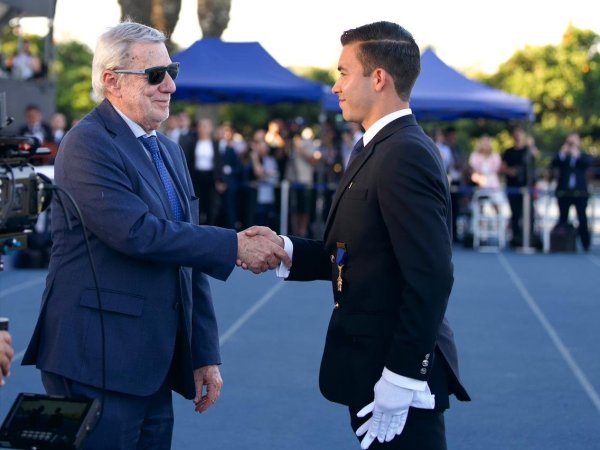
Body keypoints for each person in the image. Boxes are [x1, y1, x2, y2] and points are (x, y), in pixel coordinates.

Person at [21, 21, 289, 450]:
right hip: (96, 357)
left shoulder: (167, 149)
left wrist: (203, 353)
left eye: (172, 72)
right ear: (112, 81)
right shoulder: (87, 143)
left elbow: (187, 248)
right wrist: (235, 244)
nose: (170, 86)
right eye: (155, 74)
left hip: (152, 361)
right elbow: (137, 233)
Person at [245, 21, 470, 449]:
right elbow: (358, 253)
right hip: (370, 365)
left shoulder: (404, 152)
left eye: (344, 72)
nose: (336, 86)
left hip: (395, 375)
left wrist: (402, 376)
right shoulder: (376, 146)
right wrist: (286, 249)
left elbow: (431, 276)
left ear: (379, 78)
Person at [550, 132, 592, 251]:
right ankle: (563, 244)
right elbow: (554, 163)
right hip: (564, 192)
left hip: (580, 193)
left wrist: (576, 154)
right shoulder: (563, 156)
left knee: (582, 218)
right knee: (563, 217)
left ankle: (585, 243)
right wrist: (563, 153)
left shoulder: (582, 155)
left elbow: (587, 163)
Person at [500, 125, 539, 248]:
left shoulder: (528, 151)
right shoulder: (508, 152)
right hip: (513, 187)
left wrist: (531, 145)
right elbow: (502, 167)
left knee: (529, 214)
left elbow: (536, 155)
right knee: (515, 214)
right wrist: (510, 171)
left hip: (527, 187)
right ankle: (516, 238)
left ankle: (529, 237)